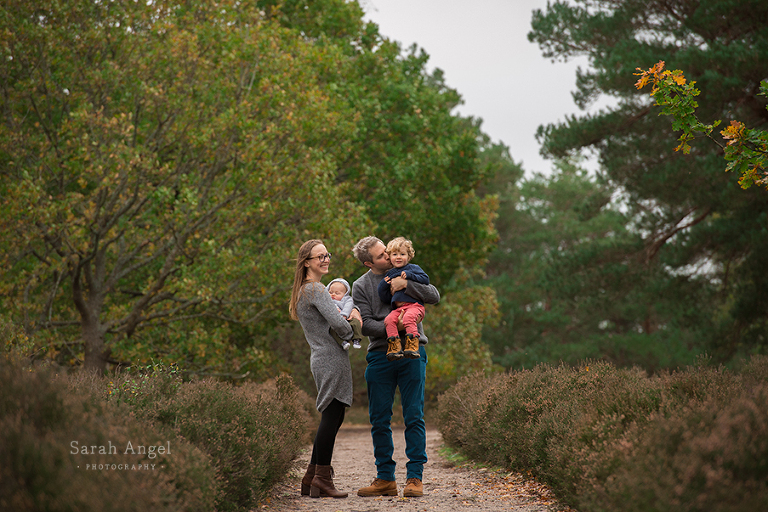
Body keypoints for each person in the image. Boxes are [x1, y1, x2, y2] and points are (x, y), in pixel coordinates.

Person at [351, 236, 440, 499]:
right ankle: (385, 478)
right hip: (380, 354)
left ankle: (415, 478)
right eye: (382, 256)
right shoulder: (361, 285)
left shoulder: (407, 271)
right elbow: (365, 324)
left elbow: (434, 295)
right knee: (379, 419)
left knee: (414, 415)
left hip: (414, 353)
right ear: (369, 262)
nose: (389, 257)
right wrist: (397, 327)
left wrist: (407, 284)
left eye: (388, 252)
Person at [289, 240, 354, 499]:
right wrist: (354, 325)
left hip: (321, 357)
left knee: (334, 415)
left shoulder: (304, 289)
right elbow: (339, 323)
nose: (326, 259)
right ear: (307, 262)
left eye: (327, 255)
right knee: (332, 416)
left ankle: (311, 476)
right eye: (319, 257)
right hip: (330, 358)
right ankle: (322, 479)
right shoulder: (315, 289)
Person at [377, 237, 430, 361]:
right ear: (389, 257)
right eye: (395, 254)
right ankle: (394, 346)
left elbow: (425, 279)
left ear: (409, 256)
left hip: (414, 306)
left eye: (402, 254)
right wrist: (383, 285)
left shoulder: (413, 268)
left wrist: (410, 277)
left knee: (408, 318)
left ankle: (412, 344)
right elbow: (385, 297)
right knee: (388, 320)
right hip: (399, 308)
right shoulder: (389, 274)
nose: (398, 257)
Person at [326, 278, 363, 350]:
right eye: (330, 292)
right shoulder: (328, 300)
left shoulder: (348, 299)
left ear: (344, 294)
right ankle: (343, 343)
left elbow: (348, 307)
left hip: (347, 318)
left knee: (356, 322)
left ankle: (356, 339)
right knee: (331, 330)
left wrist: (344, 315)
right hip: (335, 321)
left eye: (337, 293)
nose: (333, 294)